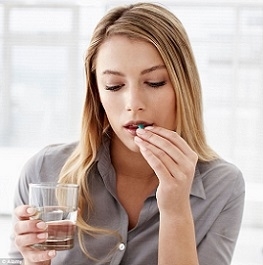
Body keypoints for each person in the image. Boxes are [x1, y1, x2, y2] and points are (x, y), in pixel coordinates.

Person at [9, 2, 245, 265]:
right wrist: (35, 262)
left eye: (154, 82)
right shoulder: (45, 170)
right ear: (97, 95)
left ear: (183, 86)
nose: (133, 102)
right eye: (114, 86)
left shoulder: (222, 186)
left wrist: (176, 209)